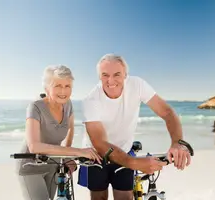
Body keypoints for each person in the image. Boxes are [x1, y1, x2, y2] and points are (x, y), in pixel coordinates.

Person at [78, 54, 192, 200]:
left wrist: (177, 143)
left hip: (124, 149)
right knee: (98, 197)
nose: (110, 81)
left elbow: (167, 112)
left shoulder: (137, 85)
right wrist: (135, 163)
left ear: (125, 75)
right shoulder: (90, 100)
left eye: (117, 74)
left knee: (125, 197)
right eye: (105, 75)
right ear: (99, 77)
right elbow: (100, 143)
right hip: (96, 156)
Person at [16, 64, 101, 200]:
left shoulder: (68, 105)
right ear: (47, 88)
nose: (63, 91)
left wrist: (67, 157)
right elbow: (34, 147)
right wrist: (77, 151)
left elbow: (70, 130)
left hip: (53, 164)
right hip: (30, 166)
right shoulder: (35, 107)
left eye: (67, 86)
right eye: (58, 86)